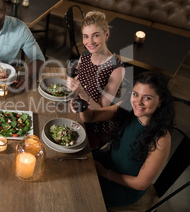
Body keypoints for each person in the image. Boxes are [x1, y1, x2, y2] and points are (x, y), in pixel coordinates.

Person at [73, 71, 174, 209]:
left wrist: (104, 172)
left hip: (123, 186)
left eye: (147, 98)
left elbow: (141, 184)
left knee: (78, 192)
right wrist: (82, 107)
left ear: (160, 101)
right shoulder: (127, 107)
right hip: (108, 162)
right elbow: (91, 117)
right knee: (70, 166)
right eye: (135, 94)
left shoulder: (161, 138)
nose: (138, 102)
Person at [66, 11, 125, 148]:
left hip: (96, 126)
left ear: (106, 35)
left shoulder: (116, 69)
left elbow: (101, 111)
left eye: (96, 35)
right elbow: (76, 84)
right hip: (77, 111)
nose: (90, 42)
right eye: (86, 36)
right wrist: (72, 86)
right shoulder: (85, 56)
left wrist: (81, 92)